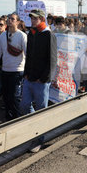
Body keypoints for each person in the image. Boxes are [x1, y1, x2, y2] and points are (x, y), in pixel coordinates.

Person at [20, 9, 57, 152]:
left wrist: (45, 78)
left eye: (35, 18)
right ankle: (34, 127)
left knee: (41, 109)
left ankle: (39, 139)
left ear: (42, 19)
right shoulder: (32, 33)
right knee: (24, 105)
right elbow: (29, 55)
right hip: (29, 78)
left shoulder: (48, 35)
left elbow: (52, 59)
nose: (32, 20)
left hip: (41, 81)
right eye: (31, 18)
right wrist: (26, 74)